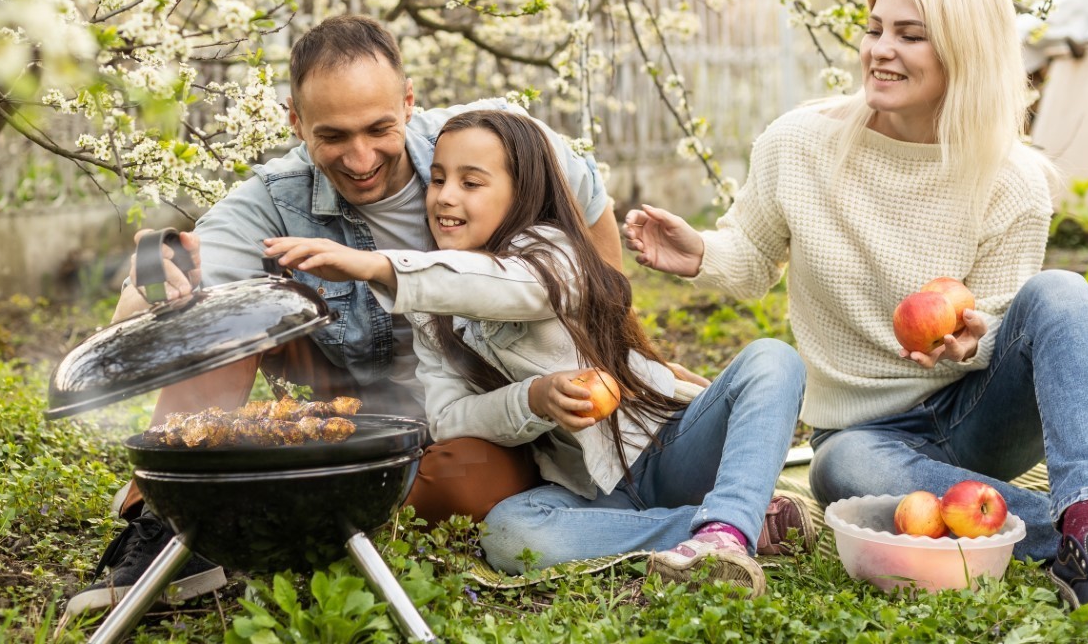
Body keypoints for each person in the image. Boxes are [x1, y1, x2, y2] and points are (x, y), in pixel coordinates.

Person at [623, 0, 1088, 619]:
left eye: (910, 35)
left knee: (1065, 293)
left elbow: (1002, 317)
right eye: (875, 29)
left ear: (963, 50)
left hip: (977, 413)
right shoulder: (798, 145)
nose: (880, 49)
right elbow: (752, 260)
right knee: (840, 475)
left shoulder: (1011, 178)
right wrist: (701, 251)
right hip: (865, 436)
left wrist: (974, 337)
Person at [66, 14, 629, 617]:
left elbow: (589, 213)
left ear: (409, 103)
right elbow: (170, 300)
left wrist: (618, 358)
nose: (360, 158)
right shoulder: (272, 199)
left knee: (463, 486)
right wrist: (152, 276)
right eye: (332, 136)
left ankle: (291, 503)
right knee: (223, 313)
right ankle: (170, 520)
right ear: (295, 121)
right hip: (352, 407)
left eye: (378, 129)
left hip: (479, 406)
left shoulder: (488, 142)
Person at [264, 109, 811, 598]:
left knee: (771, 357)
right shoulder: (431, 310)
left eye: (471, 182)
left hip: (673, 448)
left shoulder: (553, 254)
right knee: (510, 535)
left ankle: (726, 525)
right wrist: (532, 399)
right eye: (437, 180)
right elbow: (450, 419)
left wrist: (378, 265)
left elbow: (512, 289)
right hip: (592, 491)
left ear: (520, 191)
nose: (446, 196)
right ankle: (730, 527)